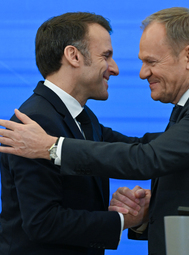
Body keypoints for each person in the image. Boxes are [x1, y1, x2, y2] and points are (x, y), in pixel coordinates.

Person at [0, 7, 189, 255]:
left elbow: (147, 158)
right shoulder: (44, 120)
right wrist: (140, 215)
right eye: (107, 56)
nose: (141, 73)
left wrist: (51, 147)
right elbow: (145, 149)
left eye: (151, 61)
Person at [0, 12, 150, 255]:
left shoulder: (83, 116)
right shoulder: (35, 123)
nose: (115, 69)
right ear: (74, 56)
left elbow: (137, 150)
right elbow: (43, 223)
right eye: (106, 56)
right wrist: (125, 220)